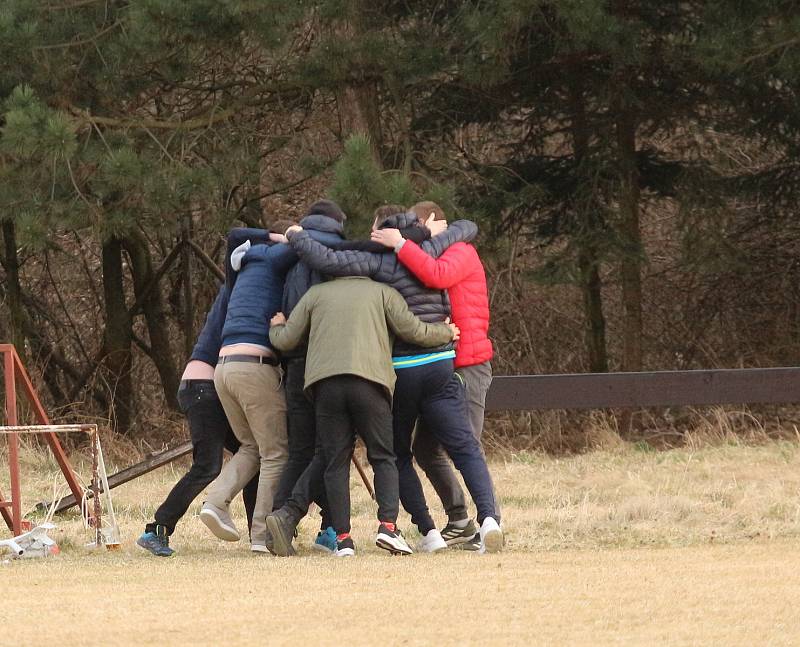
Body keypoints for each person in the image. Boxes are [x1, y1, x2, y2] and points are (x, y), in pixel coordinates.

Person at [283, 211, 504, 553]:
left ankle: (427, 531)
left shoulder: (378, 264)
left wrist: (297, 235)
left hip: (402, 368)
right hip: (441, 363)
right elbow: (468, 225)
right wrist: (425, 234)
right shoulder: (433, 248)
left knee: (395, 453)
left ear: (385, 236)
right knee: (464, 447)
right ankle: (489, 517)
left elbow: (327, 259)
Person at [267, 276, 459, 557]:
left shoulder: (316, 293)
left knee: (334, 461)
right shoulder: (382, 291)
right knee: (383, 455)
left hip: (325, 385)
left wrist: (275, 327)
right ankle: (388, 527)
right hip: (370, 382)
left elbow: (286, 340)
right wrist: (445, 332)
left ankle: (343, 540)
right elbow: (413, 330)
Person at [371, 201, 495, 550]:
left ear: (429, 222)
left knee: (465, 445)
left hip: (466, 362)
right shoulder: (442, 247)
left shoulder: (460, 251)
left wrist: (401, 243)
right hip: (443, 364)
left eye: (417, 222)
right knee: (425, 449)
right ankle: (460, 519)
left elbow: (435, 276)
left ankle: (488, 522)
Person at [136, 283, 257, 557]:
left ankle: (258, 533)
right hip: (204, 389)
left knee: (250, 456)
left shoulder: (232, 297)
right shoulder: (239, 299)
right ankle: (157, 529)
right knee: (207, 466)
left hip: (207, 388)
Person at [199, 222, 296, 553]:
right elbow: (307, 249)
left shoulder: (242, 264)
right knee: (276, 453)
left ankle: (215, 502)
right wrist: (295, 237)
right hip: (254, 367)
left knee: (251, 447)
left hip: (223, 368)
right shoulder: (277, 260)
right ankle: (261, 536)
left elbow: (237, 233)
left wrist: (270, 235)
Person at [271, 200, 347, 553]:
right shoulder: (335, 251)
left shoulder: (293, 255)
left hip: (294, 360)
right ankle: (328, 529)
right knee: (332, 449)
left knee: (301, 451)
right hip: (326, 363)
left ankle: (277, 525)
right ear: (337, 223)